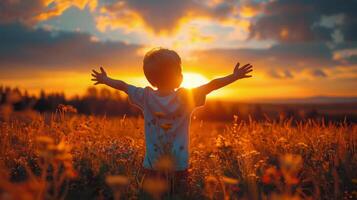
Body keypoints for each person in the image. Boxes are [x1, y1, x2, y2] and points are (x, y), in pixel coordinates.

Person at [91, 47, 253, 197]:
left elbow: (124, 86)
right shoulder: (186, 97)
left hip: (152, 165)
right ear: (177, 76)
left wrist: (105, 79)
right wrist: (234, 76)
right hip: (179, 165)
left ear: (151, 78)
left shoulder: (146, 97)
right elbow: (212, 85)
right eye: (179, 70)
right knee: (179, 195)